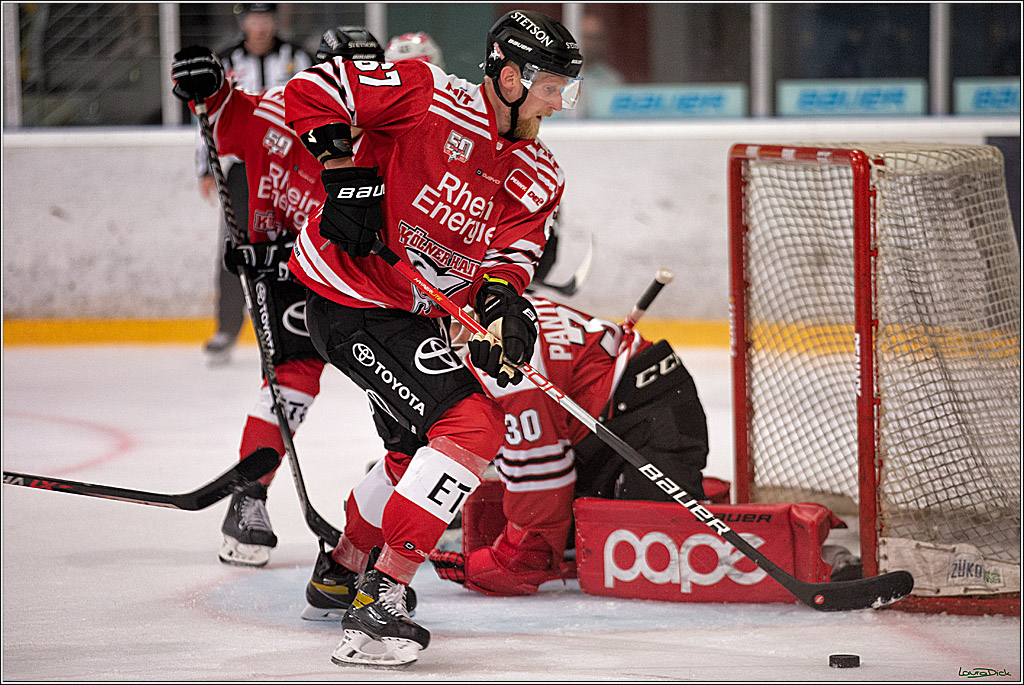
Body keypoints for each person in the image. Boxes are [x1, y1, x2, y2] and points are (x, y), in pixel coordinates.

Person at [283, 9, 584, 667]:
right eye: (551, 86)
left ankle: (342, 570)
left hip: (411, 311)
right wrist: (339, 167)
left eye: (566, 88)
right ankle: (379, 603)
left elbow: (514, 249)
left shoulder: (539, 172)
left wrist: (504, 302)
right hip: (350, 291)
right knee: (472, 428)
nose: (559, 103)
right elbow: (311, 91)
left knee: (412, 451)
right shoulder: (427, 93)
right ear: (508, 75)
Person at [170, 27, 386, 567]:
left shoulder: (393, 140)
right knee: (291, 380)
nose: (360, 89)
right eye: (347, 76)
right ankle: (249, 497)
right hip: (284, 270)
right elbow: (223, 112)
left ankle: (399, 498)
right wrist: (206, 83)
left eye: (372, 77)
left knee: (397, 387)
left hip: (363, 274)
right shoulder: (277, 112)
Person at [428, 294, 709, 595]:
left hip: (647, 429)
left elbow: (539, 489)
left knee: (643, 555)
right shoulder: (511, 312)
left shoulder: (505, 371)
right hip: (633, 413)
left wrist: (519, 557)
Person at [198, 3, 313, 366]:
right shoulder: (224, 61)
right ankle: (227, 328)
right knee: (236, 246)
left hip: (289, 167)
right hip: (243, 170)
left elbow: (316, 108)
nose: (259, 25)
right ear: (243, 20)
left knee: (298, 245)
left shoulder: (299, 57)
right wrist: (206, 167)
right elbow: (208, 114)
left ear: (274, 19)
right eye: (253, 17)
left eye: (265, 17)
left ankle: (302, 325)